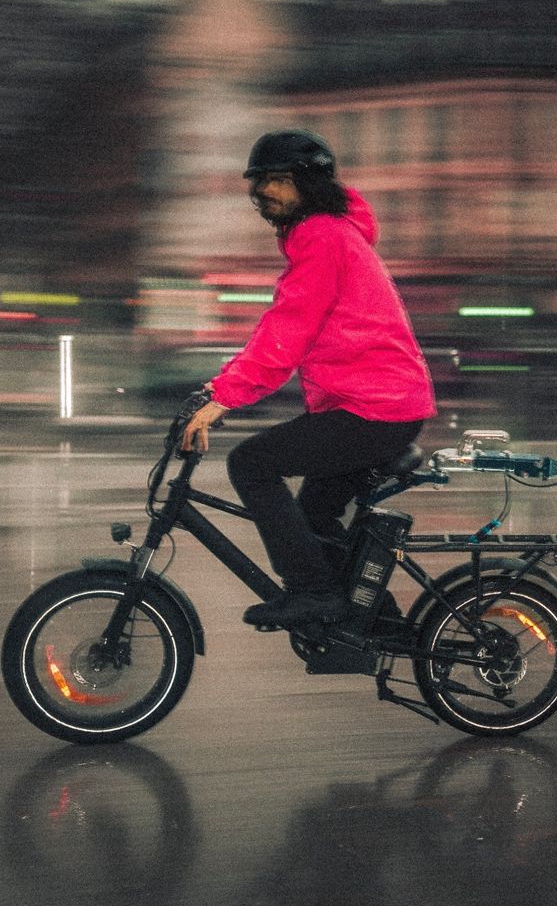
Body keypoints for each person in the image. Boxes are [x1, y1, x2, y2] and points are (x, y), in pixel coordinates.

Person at [180, 129, 436, 629]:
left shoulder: (322, 236)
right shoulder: (326, 235)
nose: (264, 193)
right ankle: (372, 620)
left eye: (278, 180)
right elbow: (285, 328)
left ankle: (313, 592)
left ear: (310, 184)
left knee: (252, 464)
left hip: (374, 409)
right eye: (259, 182)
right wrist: (218, 388)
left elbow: (288, 328)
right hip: (377, 407)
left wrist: (226, 398)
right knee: (313, 518)